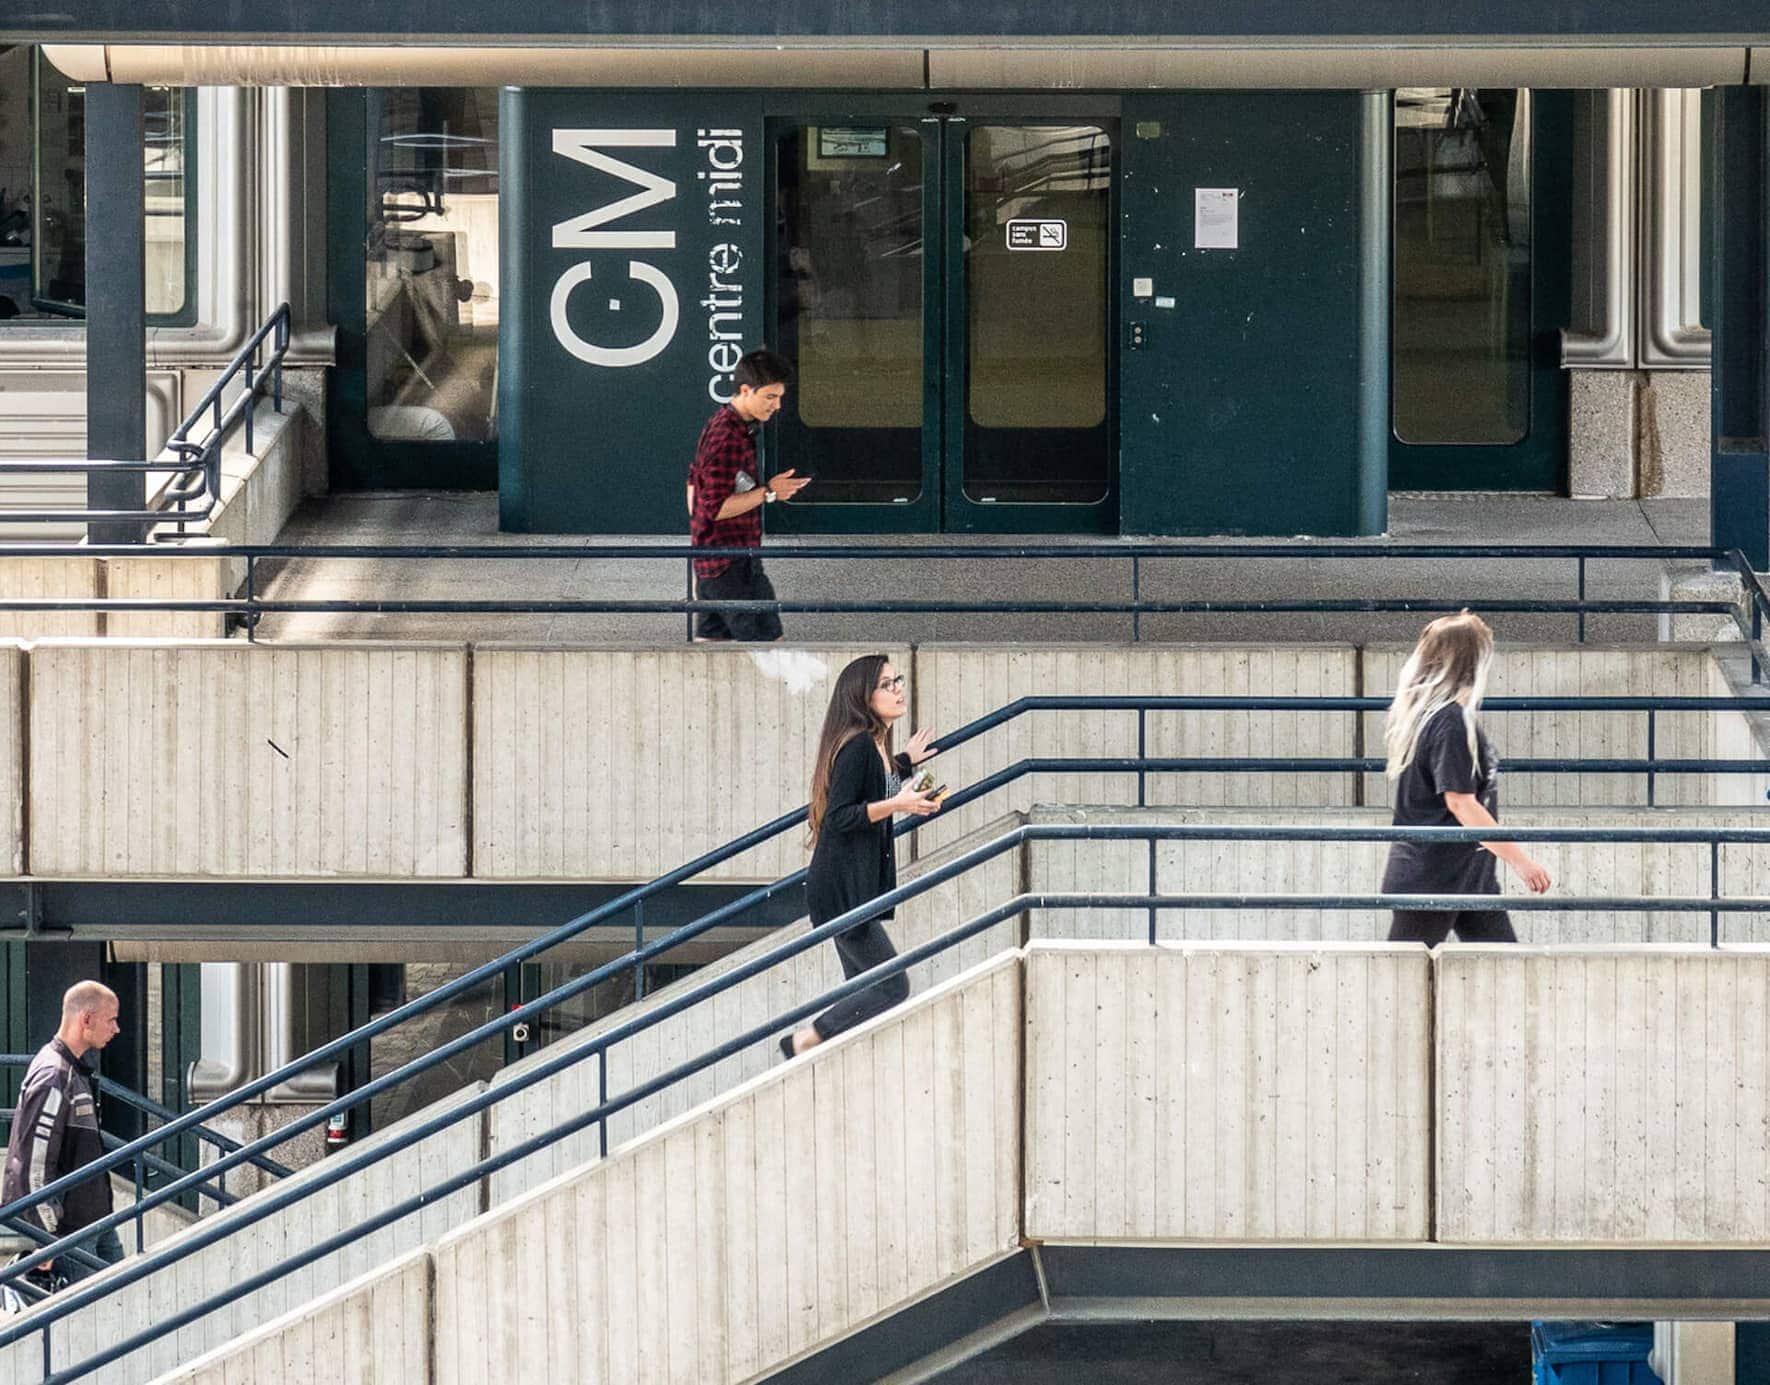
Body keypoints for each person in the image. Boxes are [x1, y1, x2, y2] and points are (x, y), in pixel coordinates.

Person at [780, 655, 941, 1058]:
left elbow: (879, 788)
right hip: (842, 890)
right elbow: (839, 816)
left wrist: (905, 765)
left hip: (850, 887)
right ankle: (802, 1041)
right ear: (862, 697)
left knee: (865, 989)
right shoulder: (857, 747)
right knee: (891, 985)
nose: (898, 689)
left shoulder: (873, 745)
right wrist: (899, 805)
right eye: (886, 684)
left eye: (897, 680)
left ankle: (823, 1050)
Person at [1380, 611, 1551, 944]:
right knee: (1403, 982)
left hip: (1469, 877)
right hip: (1433, 879)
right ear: (1473, 661)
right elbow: (1460, 802)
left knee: (1502, 973)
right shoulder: (1449, 722)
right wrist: (1520, 860)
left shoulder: (1446, 718)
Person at [2, 981, 125, 1283]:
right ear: (86, 1020)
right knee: (85, 1321)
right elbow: (33, 1164)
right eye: (111, 1019)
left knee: (123, 1304)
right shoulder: (54, 1075)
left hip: (94, 1218)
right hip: (70, 1229)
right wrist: (46, 1237)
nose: (117, 1028)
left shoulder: (70, 1071)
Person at [687, 348, 811, 642]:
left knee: (713, 651)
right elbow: (714, 508)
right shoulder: (727, 437)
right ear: (745, 390)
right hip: (733, 565)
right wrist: (768, 492)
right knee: (772, 651)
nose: (777, 405)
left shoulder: (725, 426)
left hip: (717, 564)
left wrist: (700, 543)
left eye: (780, 397)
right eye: (770, 396)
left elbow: (693, 488)